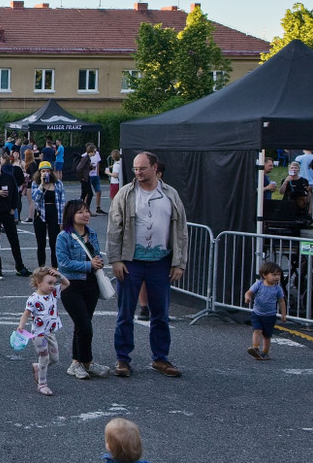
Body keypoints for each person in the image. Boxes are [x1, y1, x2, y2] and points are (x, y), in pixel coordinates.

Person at [106, 152, 188, 378]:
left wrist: (179, 263)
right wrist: (116, 260)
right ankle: (122, 359)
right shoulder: (125, 194)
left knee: (160, 314)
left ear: (154, 168)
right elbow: (114, 228)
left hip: (161, 263)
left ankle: (160, 358)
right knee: (125, 313)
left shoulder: (170, 194)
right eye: (135, 169)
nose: (138, 173)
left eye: (142, 168)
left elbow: (181, 230)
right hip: (131, 262)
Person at [55, 201, 111, 380]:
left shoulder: (92, 233)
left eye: (87, 211)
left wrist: (98, 262)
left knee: (82, 325)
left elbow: (96, 254)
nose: (86, 215)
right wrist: (89, 265)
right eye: (80, 212)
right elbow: (63, 263)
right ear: (71, 215)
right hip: (71, 285)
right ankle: (85, 361)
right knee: (85, 326)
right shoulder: (64, 236)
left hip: (91, 284)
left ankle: (78, 363)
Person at [15, 266, 70, 396]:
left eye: (54, 283)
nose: (52, 286)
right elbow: (26, 314)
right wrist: (21, 326)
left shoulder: (53, 294)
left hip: (50, 333)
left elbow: (67, 283)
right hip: (38, 334)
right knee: (44, 358)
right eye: (49, 283)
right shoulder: (33, 299)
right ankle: (42, 384)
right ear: (39, 283)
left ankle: (38, 367)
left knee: (55, 359)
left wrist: (59, 275)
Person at [0, 155, 31, 279]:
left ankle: (20, 266)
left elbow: (15, 193)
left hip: (8, 212)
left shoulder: (8, 177)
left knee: (14, 240)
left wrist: (13, 208)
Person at [243, 260, 286, 361]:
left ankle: (265, 352)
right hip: (257, 313)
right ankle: (255, 348)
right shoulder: (259, 284)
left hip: (270, 315)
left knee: (267, 335)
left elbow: (281, 301)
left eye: (279, 275)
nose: (277, 277)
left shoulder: (278, 288)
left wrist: (283, 314)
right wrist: (247, 297)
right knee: (257, 330)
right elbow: (249, 292)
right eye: (274, 274)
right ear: (264, 275)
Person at [30, 161, 64, 267]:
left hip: (54, 213)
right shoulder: (35, 184)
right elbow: (35, 198)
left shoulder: (58, 184)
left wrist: (62, 220)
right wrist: (42, 185)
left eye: (48, 171)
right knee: (41, 243)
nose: (46, 173)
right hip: (40, 213)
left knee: (55, 243)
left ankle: (55, 267)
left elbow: (62, 203)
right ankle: (42, 267)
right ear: (39, 173)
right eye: (43, 171)